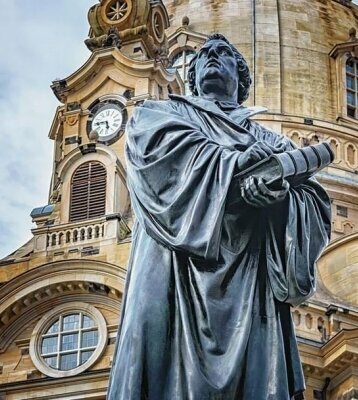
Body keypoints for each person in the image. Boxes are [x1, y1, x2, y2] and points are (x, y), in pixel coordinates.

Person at [108, 33, 332, 400]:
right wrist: (234, 163)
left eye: (224, 53)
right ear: (193, 74)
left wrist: (277, 199)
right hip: (172, 267)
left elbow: (313, 201)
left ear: (241, 78)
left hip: (249, 278)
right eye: (204, 54)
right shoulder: (161, 113)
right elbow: (155, 156)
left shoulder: (270, 141)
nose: (212, 57)